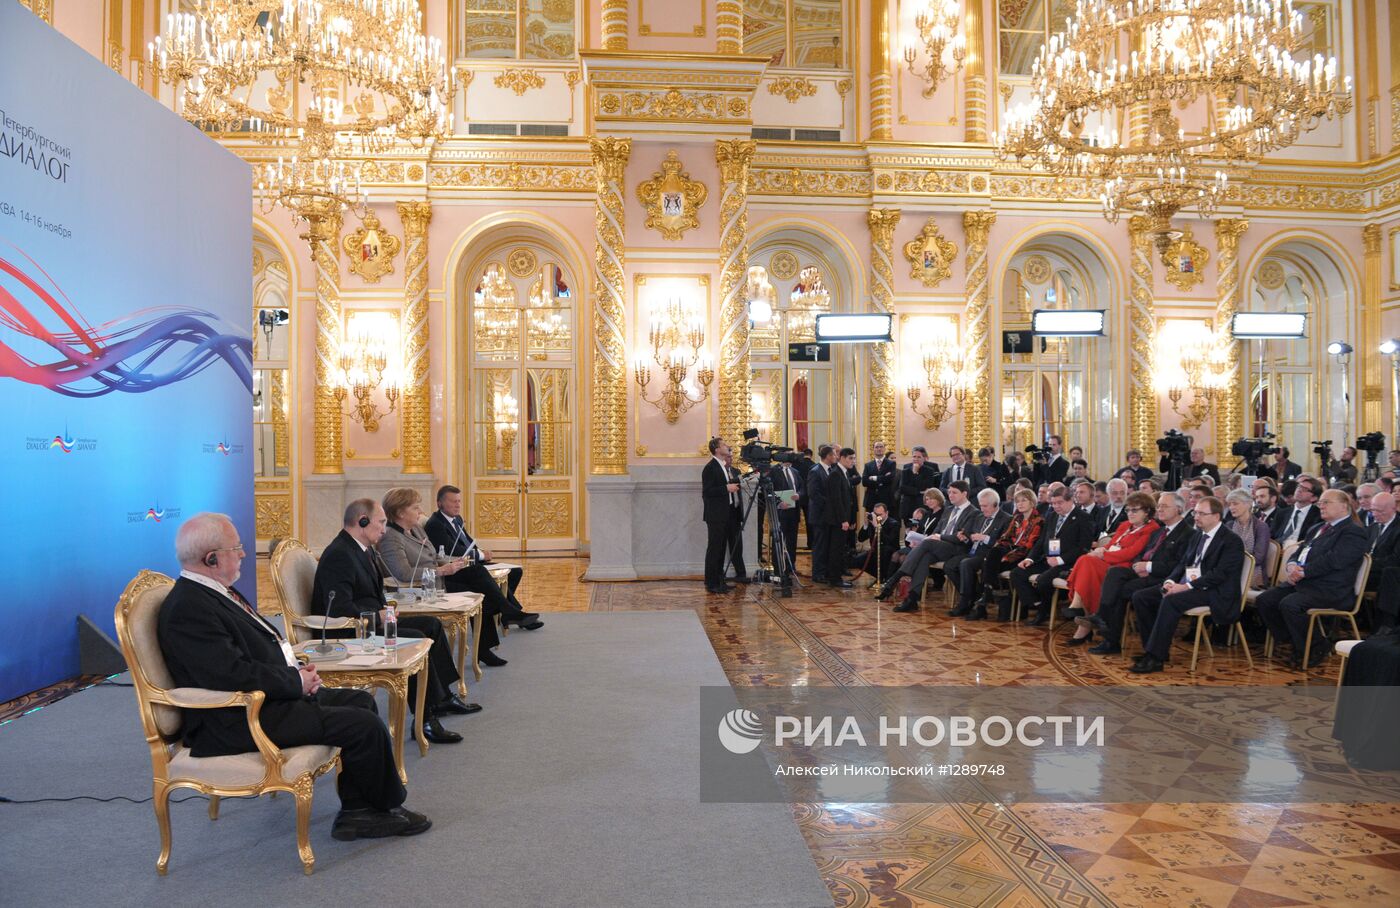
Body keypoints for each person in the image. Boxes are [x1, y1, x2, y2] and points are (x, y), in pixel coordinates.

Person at [158, 513, 431, 842]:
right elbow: (230, 674)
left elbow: (251, 654)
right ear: (212, 558)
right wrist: (293, 682)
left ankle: (359, 810)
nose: (244, 554)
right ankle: (374, 811)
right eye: (237, 548)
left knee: (360, 700)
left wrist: (296, 673)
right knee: (364, 725)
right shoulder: (189, 607)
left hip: (267, 698)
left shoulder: (213, 592)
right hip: (237, 718)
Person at [312, 500, 470, 744]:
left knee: (432, 625)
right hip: (351, 633)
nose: (385, 529)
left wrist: (386, 609)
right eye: (381, 522)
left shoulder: (362, 548)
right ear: (362, 521)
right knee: (418, 639)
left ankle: (442, 699)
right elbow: (339, 609)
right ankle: (426, 720)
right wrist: (377, 615)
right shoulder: (340, 554)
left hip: (374, 622)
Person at [378, 487, 506, 675]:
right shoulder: (391, 537)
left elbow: (434, 554)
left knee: (479, 588)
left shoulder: (415, 528)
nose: (420, 512)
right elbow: (404, 573)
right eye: (415, 508)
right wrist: (439, 571)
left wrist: (453, 562)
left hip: (438, 581)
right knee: (479, 587)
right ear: (400, 512)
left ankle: (485, 646)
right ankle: (505, 613)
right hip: (423, 590)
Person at [1128, 496, 1246, 674]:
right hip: (1192, 585)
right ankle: (1152, 649)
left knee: (1171, 601)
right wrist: (1170, 581)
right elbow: (1183, 563)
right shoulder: (1198, 534)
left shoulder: (1231, 541)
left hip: (1215, 591)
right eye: (1195, 512)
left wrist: (1184, 587)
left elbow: (1218, 575)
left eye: (1202, 513)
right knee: (1141, 597)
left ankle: (1156, 658)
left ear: (1216, 516)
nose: (1196, 517)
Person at [1255, 489, 1371, 669]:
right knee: (1265, 600)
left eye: (1326, 502)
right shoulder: (1317, 528)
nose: (1321, 506)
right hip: (1305, 582)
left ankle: (1315, 646)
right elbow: (1299, 552)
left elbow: (1335, 560)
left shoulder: (1353, 531)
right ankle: (1295, 640)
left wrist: (1303, 572)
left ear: (1344, 506)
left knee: (1290, 604)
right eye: (1320, 503)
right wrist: (1291, 566)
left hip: (1331, 588)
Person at [1085, 492, 1195, 655]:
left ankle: (1110, 634)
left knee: (1120, 590)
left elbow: (1178, 566)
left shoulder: (1188, 533)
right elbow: (1141, 553)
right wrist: (1139, 565)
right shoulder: (1160, 532)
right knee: (1115, 573)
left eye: (1164, 506)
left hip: (1163, 578)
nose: (1160, 509)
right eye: (1159, 506)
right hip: (1143, 572)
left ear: (1179, 509)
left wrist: (1148, 567)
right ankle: (1108, 630)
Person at [424, 486, 544, 634]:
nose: (457, 505)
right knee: (488, 579)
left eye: (459, 501)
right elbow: (452, 550)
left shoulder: (457, 519)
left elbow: (468, 543)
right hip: (458, 569)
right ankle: (510, 613)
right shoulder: (435, 524)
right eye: (453, 501)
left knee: (515, 571)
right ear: (439, 503)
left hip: (474, 563)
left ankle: (505, 611)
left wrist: (481, 552)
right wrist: (480, 555)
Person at [1063, 492, 1160, 646]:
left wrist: (1103, 555)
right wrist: (1101, 551)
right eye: (1128, 510)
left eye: (1135, 510)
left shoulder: (1151, 528)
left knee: (1086, 561)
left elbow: (1131, 553)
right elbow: (1110, 545)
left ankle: (1077, 608)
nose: (1130, 513)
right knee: (1086, 564)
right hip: (1108, 563)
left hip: (1122, 568)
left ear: (1147, 511)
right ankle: (1082, 617)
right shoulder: (1125, 526)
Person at [881, 480, 978, 613]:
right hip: (937, 546)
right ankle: (912, 599)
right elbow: (936, 531)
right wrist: (933, 537)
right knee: (924, 557)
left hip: (956, 549)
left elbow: (961, 538)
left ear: (965, 494)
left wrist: (939, 537)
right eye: (949, 492)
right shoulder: (949, 510)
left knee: (926, 544)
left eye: (954, 492)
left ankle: (894, 579)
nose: (950, 495)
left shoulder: (973, 512)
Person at [1010, 486, 1095, 626]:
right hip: (1047, 558)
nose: (1056, 506)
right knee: (1017, 574)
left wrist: (1060, 560)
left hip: (1068, 563)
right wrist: (1029, 559)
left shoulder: (1083, 518)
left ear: (1070, 500)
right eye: (1053, 503)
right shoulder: (1051, 515)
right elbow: (1042, 540)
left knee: (1043, 580)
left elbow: (1083, 548)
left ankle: (1043, 612)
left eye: (1059, 503)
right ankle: (1038, 605)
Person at [977, 489, 1043, 621]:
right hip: (1010, 549)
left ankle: (987, 594)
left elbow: (1029, 546)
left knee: (991, 564)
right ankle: (989, 591)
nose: (1020, 504)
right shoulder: (1017, 517)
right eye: (1017, 501)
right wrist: (1000, 548)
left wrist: (1006, 557)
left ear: (1032, 502)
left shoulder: (1039, 521)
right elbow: (1006, 537)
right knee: (993, 553)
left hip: (1024, 554)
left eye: (1024, 500)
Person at [947, 489, 1011, 619]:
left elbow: (1004, 544)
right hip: (973, 551)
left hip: (989, 555)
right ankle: (974, 597)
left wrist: (985, 538)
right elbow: (970, 535)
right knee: (949, 565)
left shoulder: (1006, 519)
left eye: (985, 506)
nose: (982, 509)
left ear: (995, 505)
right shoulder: (979, 517)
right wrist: (965, 537)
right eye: (980, 505)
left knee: (966, 564)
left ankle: (965, 602)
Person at [700, 437, 742, 594]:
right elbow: (707, 492)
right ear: (717, 449)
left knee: (721, 548)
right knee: (714, 549)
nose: (727, 446)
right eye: (724, 445)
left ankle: (719, 580)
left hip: (726, 514)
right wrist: (726, 488)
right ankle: (711, 582)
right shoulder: (710, 468)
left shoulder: (722, 466)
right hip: (715, 515)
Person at [822, 447, 857, 589]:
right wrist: (843, 520)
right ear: (841, 458)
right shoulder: (836, 474)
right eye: (850, 458)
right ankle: (835, 578)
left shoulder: (844, 473)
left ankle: (835, 576)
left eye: (854, 459)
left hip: (841, 518)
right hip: (837, 520)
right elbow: (836, 500)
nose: (853, 461)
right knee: (836, 549)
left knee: (839, 548)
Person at [1224, 489, 1271, 589]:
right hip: (1230, 569)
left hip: (1252, 573)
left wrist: (1232, 563)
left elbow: (1258, 558)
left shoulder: (1261, 527)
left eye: (1235, 503)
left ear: (1248, 504)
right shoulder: (1229, 525)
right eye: (1230, 504)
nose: (1231, 507)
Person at [1368, 493, 1400, 629]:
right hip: (1366, 572)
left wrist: (1366, 566)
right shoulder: (1372, 528)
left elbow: (1395, 559)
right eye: (1372, 510)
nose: (1375, 514)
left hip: (1383, 574)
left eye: (1379, 511)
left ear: (1393, 508)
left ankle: (1383, 628)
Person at [806, 445, 837, 583]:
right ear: (828, 456)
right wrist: (830, 504)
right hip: (819, 516)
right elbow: (814, 494)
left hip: (827, 516)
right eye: (834, 454)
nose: (836, 457)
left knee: (826, 545)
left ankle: (825, 571)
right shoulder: (815, 471)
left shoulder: (830, 470)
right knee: (819, 545)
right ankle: (817, 573)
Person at [770, 457, 804, 575]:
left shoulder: (795, 471)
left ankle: (791, 567)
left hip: (793, 511)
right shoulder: (774, 471)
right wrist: (779, 502)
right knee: (778, 540)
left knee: (792, 540)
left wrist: (799, 495)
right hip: (780, 512)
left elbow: (802, 488)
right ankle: (778, 568)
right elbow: (770, 490)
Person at [857, 502, 899, 585]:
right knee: (857, 561)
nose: (878, 517)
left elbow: (889, 541)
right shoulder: (872, 522)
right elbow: (861, 538)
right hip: (875, 551)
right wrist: (865, 525)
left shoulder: (894, 524)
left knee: (885, 552)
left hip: (889, 551)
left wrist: (877, 527)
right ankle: (879, 576)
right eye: (876, 514)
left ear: (886, 513)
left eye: (880, 514)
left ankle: (883, 578)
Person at [894, 445, 939, 523]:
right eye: (914, 456)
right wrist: (919, 491)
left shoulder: (929, 471)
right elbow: (902, 488)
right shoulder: (906, 470)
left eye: (919, 457)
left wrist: (915, 474)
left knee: (921, 531)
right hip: (907, 506)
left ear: (924, 458)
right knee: (908, 532)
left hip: (922, 506)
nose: (916, 459)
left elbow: (927, 486)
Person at [1272, 476, 1323, 544]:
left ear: (1313, 498)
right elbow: (1272, 535)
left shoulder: (1318, 516)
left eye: (1305, 489)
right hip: (1277, 549)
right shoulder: (1282, 513)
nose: (1299, 490)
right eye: (1299, 486)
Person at [861, 442, 896, 514]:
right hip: (871, 499)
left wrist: (874, 478)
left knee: (884, 523)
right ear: (873, 449)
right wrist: (883, 479)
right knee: (871, 523)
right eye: (876, 447)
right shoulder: (868, 465)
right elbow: (864, 482)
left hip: (886, 499)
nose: (879, 449)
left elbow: (890, 479)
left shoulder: (891, 463)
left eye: (881, 447)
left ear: (884, 449)